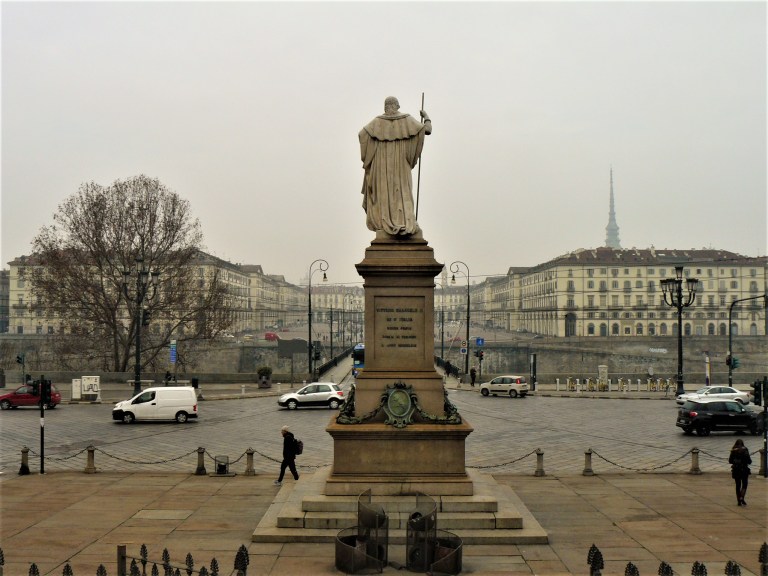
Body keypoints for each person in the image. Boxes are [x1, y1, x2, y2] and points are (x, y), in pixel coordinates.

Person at [359, 96, 432, 237]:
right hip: (401, 168)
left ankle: (387, 223)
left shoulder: (377, 123)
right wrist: (426, 117)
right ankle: (406, 222)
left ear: (385, 107)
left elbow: (362, 135)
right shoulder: (407, 120)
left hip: (382, 168)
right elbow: (427, 129)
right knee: (403, 192)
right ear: (397, 106)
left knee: (386, 195)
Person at [728, 438, 751, 506]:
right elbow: (749, 461)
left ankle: (739, 500)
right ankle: (742, 497)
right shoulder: (745, 450)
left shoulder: (733, 451)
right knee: (745, 484)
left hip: (736, 470)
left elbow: (730, 461)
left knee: (738, 485)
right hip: (744, 469)